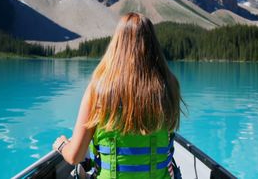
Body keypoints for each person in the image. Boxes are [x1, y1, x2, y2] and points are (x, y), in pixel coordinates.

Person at [53, 12, 183, 179]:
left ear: (117, 45)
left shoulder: (98, 90)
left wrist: (62, 144)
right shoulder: (170, 86)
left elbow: (75, 156)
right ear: (153, 45)